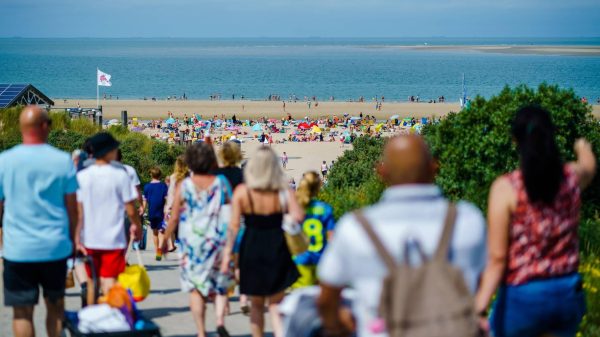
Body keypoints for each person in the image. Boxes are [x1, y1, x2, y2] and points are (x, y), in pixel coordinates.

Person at [317, 135, 487, 337]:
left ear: (382, 172)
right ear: (434, 168)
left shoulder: (355, 228)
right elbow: (488, 278)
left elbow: (327, 298)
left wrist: (338, 326)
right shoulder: (468, 220)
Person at [475, 105, 596, 337]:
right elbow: (588, 167)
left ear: (515, 141)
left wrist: (479, 306)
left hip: (523, 296)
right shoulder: (570, 178)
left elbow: (498, 258)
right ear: (551, 135)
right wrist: (582, 147)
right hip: (567, 293)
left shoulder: (507, 188)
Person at [0, 106, 78, 337]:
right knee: (55, 307)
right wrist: (73, 241)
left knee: (22, 312)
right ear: (44, 126)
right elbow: (72, 209)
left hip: (18, 249)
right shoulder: (63, 161)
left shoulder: (4, 161)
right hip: (54, 247)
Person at [222, 147, 303, 337]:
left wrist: (227, 254)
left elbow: (234, 227)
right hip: (277, 245)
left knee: (256, 305)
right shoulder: (283, 190)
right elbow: (298, 216)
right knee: (277, 304)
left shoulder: (243, 191)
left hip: (252, 247)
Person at [162, 142, 234, 337]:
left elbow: (174, 216)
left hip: (192, 243)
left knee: (196, 290)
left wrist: (165, 238)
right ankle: (219, 320)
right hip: (216, 240)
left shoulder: (185, 185)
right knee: (219, 285)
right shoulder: (221, 183)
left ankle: (201, 332)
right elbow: (232, 211)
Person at [75, 133, 141, 295]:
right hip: (113, 238)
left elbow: (79, 213)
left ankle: (92, 314)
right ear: (109, 151)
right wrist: (137, 226)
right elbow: (131, 209)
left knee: (92, 282)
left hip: (89, 238)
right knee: (110, 280)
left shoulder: (82, 177)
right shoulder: (120, 175)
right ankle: (110, 314)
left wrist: (76, 237)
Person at [292, 171, 335, 288]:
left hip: (300, 259)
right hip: (321, 260)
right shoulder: (325, 209)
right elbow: (332, 238)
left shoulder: (296, 208)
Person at [143, 167, 169, 261]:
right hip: (161, 212)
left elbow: (145, 201)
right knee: (162, 232)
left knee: (154, 233)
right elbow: (167, 199)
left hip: (151, 212)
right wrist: (167, 208)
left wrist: (142, 210)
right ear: (160, 175)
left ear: (151, 174)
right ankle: (159, 250)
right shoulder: (163, 186)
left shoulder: (146, 187)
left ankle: (156, 250)